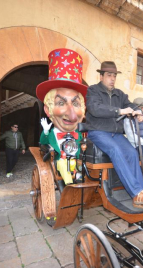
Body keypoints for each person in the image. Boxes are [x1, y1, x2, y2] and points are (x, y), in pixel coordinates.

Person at [86, 61, 143, 208]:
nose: (112, 78)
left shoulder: (120, 94)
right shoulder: (93, 91)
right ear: (101, 76)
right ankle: (136, 192)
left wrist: (137, 111)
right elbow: (95, 109)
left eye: (114, 76)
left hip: (116, 134)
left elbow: (129, 105)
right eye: (109, 75)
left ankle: (141, 192)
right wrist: (119, 111)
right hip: (98, 131)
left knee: (132, 152)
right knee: (115, 150)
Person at [36, 48, 86, 185]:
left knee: (81, 168)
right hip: (61, 161)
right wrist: (46, 131)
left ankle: (79, 179)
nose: (72, 115)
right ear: (48, 109)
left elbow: (82, 145)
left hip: (75, 162)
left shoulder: (78, 134)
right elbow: (44, 141)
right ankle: (70, 186)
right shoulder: (53, 133)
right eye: (61, 102)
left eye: (76, 103)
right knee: (63, 167)